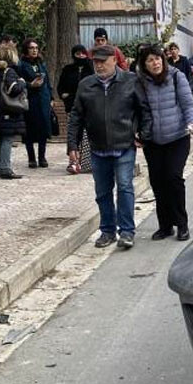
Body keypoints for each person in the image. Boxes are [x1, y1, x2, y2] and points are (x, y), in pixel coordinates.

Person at [68, 44, 151, 250]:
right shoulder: (86, 85)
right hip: (98, 147)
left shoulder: (131, 81)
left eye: (103, 61)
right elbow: (76, 117)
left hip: (124, 145)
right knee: (102, 192)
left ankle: (127, 231)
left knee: (124, 187)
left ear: (114, 60)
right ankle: (107, 231)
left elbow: (144, 111)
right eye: (95, 61)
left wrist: (142, 133)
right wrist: (72, 145)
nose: (99, 66)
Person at [135, 45, 193, 242]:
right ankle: (165, 226)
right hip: (153, 141)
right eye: (150, 60)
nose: (155, 63)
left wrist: (191, 122)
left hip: (178, 137)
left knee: (173, 178)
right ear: (144, 65)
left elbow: (188, 103)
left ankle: (182, 224)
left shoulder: (176, 76)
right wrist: (136, 132)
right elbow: (136, 109)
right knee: (157, 182)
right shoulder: (140, 82)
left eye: (158, 59)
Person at [0, 43, 26, 180]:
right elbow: (14, 89)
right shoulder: (9, 71)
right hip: (6, 109)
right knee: (7, 138)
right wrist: (22, 82)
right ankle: (5, 168)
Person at [57, 45, 94, 174]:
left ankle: (88, 162)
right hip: (72, 105)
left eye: (83, 54)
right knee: (73, 134)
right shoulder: (68, 69)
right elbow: (60, 86)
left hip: (89, 107)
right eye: (78, 54)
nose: (81, 56)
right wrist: (64, 95)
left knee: (88, 135)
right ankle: (73, 161)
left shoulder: (91, 68)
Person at [17, 38, 53, 169]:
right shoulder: (21, 65)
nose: (35, 50)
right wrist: (30, 85)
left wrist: (51, 97)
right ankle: (31, 158)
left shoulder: (41, 64)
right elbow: (18, 82)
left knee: (43, 128)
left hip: (43, 99)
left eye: (36, 48)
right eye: (32, 48)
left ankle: (42, 157)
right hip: (29, 100)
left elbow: (48, 81)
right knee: (29, 130)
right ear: (26, 49)